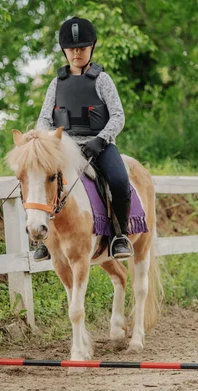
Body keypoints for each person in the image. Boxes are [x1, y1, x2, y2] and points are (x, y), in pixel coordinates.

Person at [33, 16, 132, 261]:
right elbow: (44, 119)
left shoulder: (103, 80)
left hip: (99, 144)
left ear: (91, 48)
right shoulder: (56, 83)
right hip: (64, 146)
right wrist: (46, 140)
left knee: (119, 180)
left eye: (82, 48)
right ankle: (46, 239)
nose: (76, 52)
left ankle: (120, 234)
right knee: (39, 181)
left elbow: (118, 116)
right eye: (72, 48)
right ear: (64, 51)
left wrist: (101, 139)